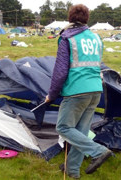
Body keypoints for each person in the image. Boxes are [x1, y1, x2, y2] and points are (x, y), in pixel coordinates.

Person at [45, 4, 113, 179]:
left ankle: (98, 151)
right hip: (96, 90)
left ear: (70, 17)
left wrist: (51, 95)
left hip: (76, 91)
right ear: (87, 18)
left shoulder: (67, 38)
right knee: (81, 132)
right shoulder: (97, 38)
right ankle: (72, 170)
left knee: (63, 127)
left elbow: (60, 72)